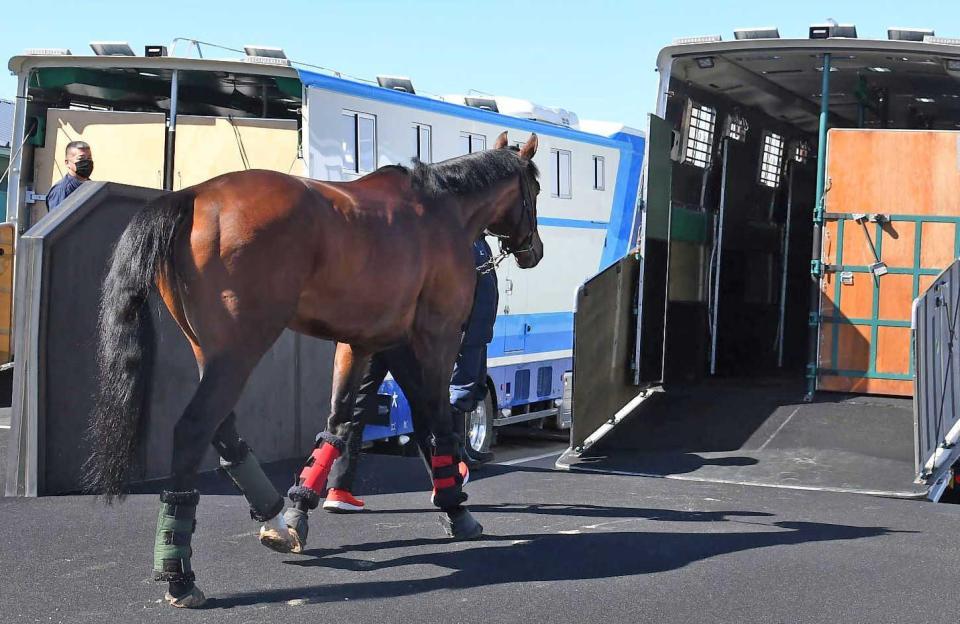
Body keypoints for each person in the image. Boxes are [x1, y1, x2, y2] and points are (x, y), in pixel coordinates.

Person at [321, 237, 499, 513]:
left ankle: (338, 488)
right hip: (398, 332)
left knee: (354, 409)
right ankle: (445, 479)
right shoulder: (428, 234)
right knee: (427, 405)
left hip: (368, 329)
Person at [47, 140, 94, 211]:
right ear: (67, 163)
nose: (86, 162)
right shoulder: (62, 190)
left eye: (89, 158)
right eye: (81, 158)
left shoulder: (91, 185)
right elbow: (58, 220)